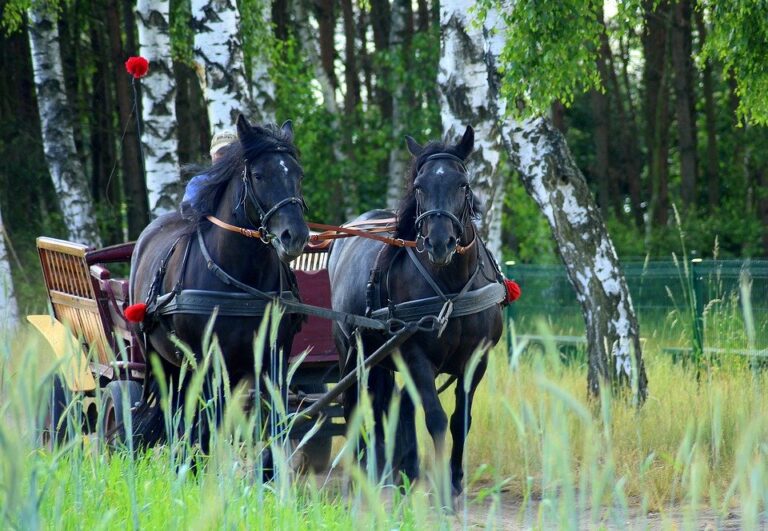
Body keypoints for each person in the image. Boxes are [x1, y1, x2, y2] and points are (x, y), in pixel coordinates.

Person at [181, 130, 238, 208]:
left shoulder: (246, 182)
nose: (225, 157)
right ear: (212, 156)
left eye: (230, 152)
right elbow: (188, 214)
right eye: (221, 153)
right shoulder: (199, 182)